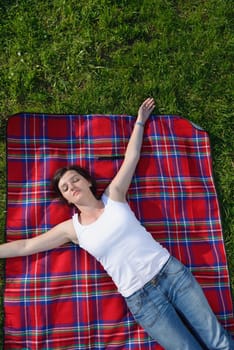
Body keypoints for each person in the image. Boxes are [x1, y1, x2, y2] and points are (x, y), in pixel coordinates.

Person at [0, 98, 233, 349]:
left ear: (87, 182)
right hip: (142, 300)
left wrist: (140, 122)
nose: (72, 187)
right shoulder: (72, 229)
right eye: (65, 188)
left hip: (171, 274)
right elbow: (25, 246)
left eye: (75, 180)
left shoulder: (114, 196)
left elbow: (131, 157)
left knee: (218, 341)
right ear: (65, 198)